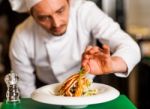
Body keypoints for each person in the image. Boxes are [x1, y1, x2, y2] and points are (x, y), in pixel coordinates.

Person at [8, 0, 141, 97]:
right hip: (46, 91)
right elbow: (24, 88)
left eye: (60, 11)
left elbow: (130, 47)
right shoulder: (21, 36)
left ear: (69, 2)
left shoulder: (85, 12)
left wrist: (113, 64)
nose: (56, 23)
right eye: (44, 17)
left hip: (88, 87)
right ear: (31, 14)